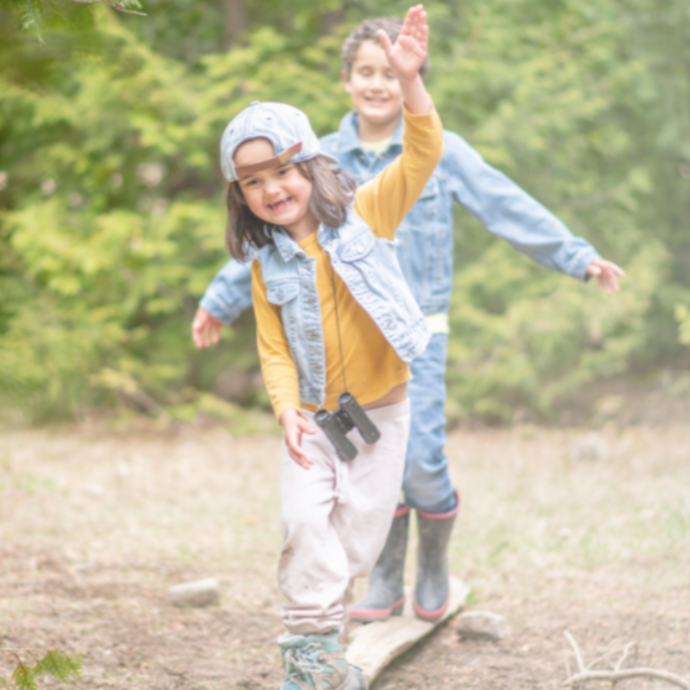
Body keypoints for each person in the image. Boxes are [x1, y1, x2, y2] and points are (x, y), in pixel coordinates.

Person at [193, 16, 625, 628]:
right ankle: (386, 573)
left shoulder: (430, 151)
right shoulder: (308, 157)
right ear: (346, 81)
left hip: (415, 332)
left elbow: (505, 203)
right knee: (365, 462)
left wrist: (576, 256)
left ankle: (434, 562)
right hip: (332, 353)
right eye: (365, 72)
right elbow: (275, 252)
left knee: (418, 458)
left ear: (409, 75)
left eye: (389, 72)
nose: (377, 83)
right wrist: (219, 299)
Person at [214, 6, 443, 689]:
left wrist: (411, 85)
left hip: (382, 414)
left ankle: (326, 632)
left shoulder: (369, 214)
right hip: (313, 421)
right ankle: (309, 654)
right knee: (302, 520)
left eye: (279, 172)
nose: (269, 191)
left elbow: (425, 151)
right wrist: (285, 408)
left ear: (310, 165)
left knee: (357, 540)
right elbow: (274, 348)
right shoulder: (266, 266)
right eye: (251, 183)